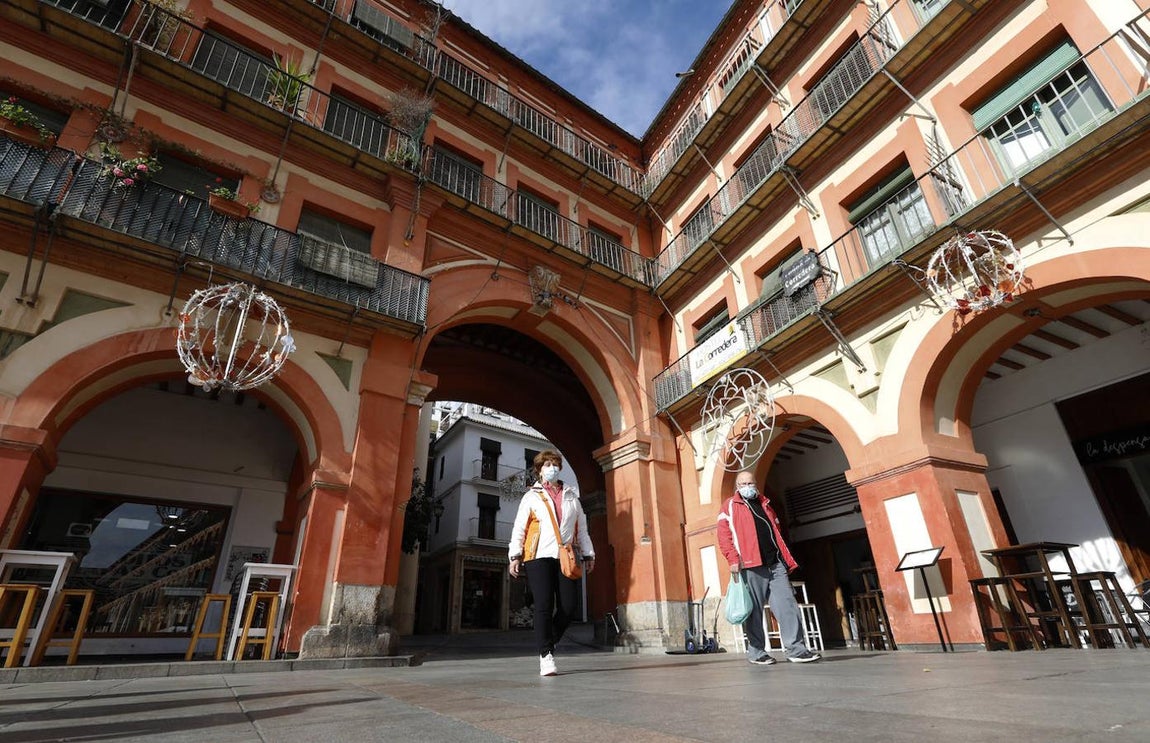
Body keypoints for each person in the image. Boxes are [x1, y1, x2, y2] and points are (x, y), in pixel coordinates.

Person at [717, 470, 820, 665]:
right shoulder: (729, 506)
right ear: (737, 487)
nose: (748, 487)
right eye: (743, 484)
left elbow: (777, 531)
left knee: (787, 606)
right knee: (754, 610)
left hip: (775, 564)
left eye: (751, 483)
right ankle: (757, 652)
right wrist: (733, 559)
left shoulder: (766, 504)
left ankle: (796, 649)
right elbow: (723, 536)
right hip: (750, 565)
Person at [508, 449, 595, 676]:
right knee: (544, 605)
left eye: (555, 464)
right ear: (539, 470)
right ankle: (545, 654)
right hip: (537, 555)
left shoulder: (571, 496)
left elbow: (582, 529)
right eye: (547, 464)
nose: (552, 468)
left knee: (568, 606)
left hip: (565, 555)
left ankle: (549, 640)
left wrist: (589, 554)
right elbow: (520, 527)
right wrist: (515, 555)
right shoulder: (531, 496)